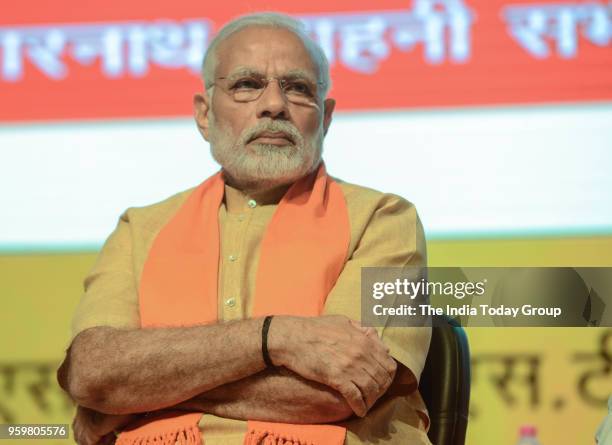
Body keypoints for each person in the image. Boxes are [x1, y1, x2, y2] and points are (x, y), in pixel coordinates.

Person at [57, 12, 431, 445]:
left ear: (325, 118)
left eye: (298, 88)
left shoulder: (384, 219)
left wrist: (140, 394)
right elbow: (92, 373)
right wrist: (275, 338)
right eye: (247, 85)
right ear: (204, 114)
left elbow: (340, 389)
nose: (274, 105)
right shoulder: (141, 228)